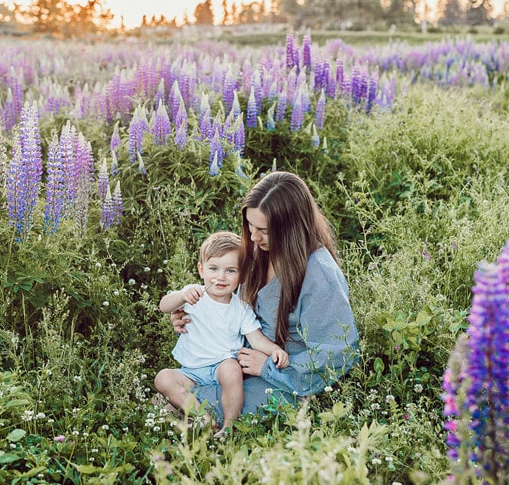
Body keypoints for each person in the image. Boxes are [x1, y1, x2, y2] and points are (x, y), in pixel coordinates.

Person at [170, 171, 360, 424]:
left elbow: (337, 352)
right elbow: (235, 308)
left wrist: (268, 367)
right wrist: (196, 315)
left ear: (291, 228)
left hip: (286, 377)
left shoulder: (320, 275)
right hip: (233, 361)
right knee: (173, 380)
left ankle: (202, 414)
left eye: (264, 230)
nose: (253, 237)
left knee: (234, 403)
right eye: (250, 225)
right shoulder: (259, 250)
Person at [154, 231, 289, 433]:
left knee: (232, 369)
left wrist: (275, 350)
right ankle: (203, 418)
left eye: (230, 271)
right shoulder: (194, 295)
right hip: (191, 370)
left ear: (241, 275)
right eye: (214, 269)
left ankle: (228, 425)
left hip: (221, 365)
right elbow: (164, 306)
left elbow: (256, 338)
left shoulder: (241, 308)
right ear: (201, 269)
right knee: (163, 378)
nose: (221, 277)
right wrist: (181, 295)